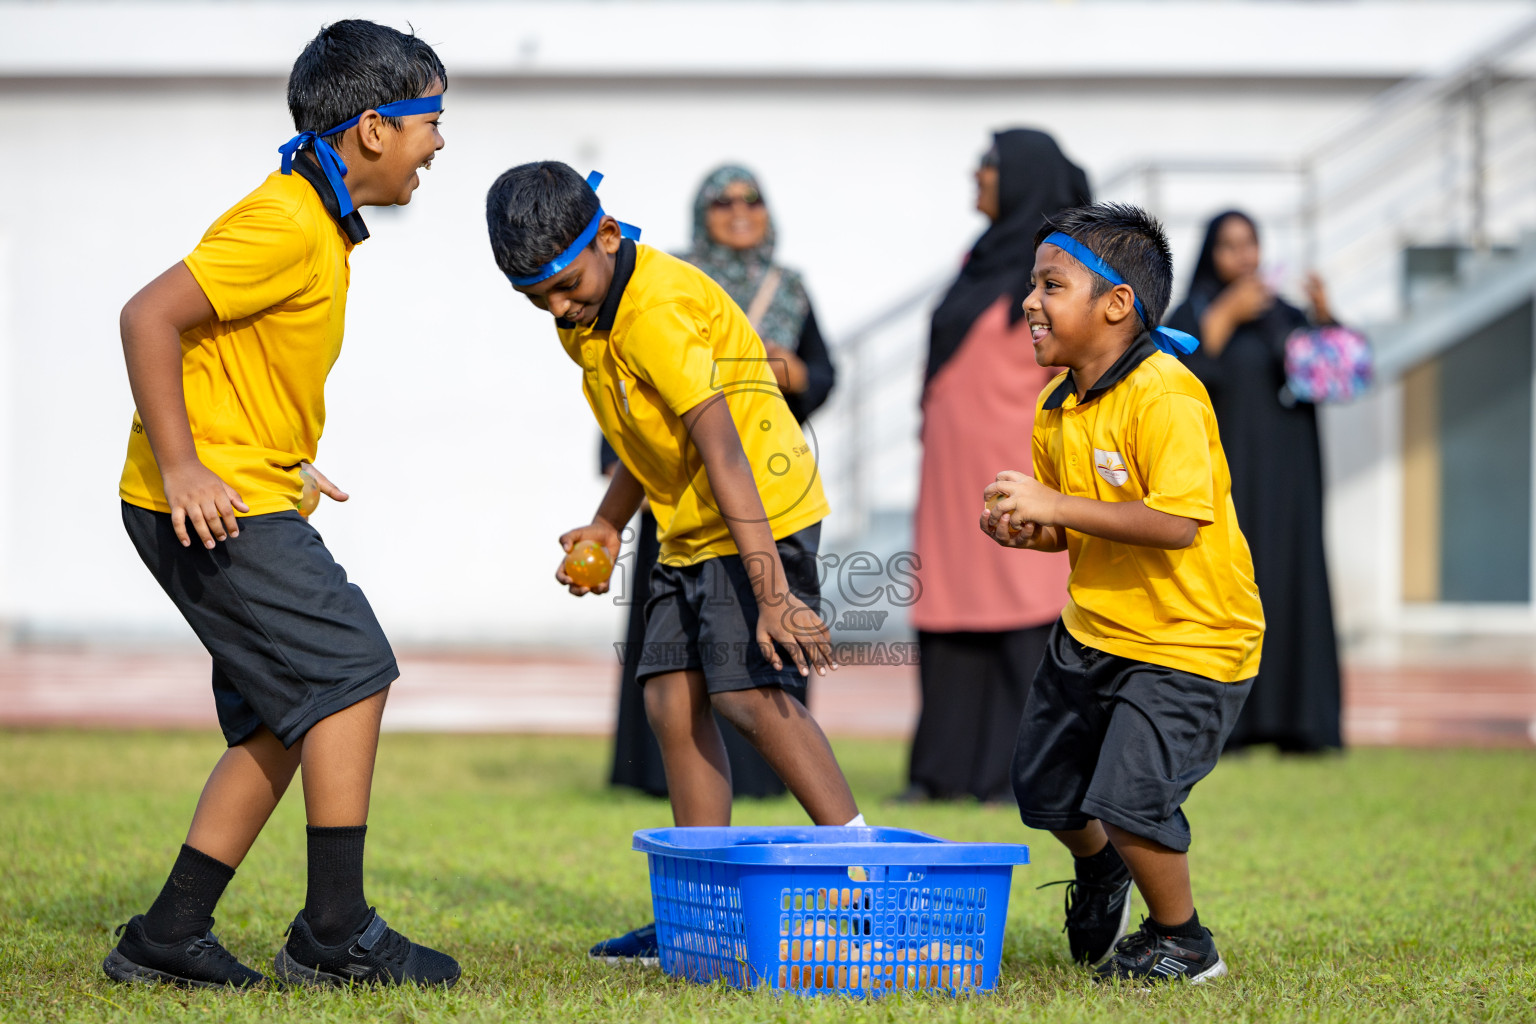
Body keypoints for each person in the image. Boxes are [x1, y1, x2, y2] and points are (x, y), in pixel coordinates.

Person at [105, 21, 459, 990]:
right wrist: (185, 466)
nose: (439, 145)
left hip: (248, 489)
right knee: (351, 669)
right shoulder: (288, 218)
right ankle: (334, 934)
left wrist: (284, 459)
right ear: (376, 128)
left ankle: (166, 937)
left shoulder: (319, 220)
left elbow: (236, 358)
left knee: (282, 714)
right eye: (433, 122)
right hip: (205, 503)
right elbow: (149, 316)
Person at [485, 161, 863, 965]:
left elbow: (721, 446)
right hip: (685, 521)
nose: (556, 307)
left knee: (751, 696)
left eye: (563, 285)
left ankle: (864, 874)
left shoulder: (655, 307)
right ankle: (698, 911)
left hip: (758, 510)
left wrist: (772, 595)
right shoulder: (584, 314)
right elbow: (645, 433)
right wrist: (607, 522)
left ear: (609, 237)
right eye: (536, 298)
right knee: (668, 701)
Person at [983, 203, 1264, 985]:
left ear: (1116, 304)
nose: (1030, 301)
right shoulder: (1058, 406)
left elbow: (1175, 523)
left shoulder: (1166, 394)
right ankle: (1102, 872)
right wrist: (1030, 529)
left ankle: (1183, 941)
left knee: (1131, 797)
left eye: (1051, 284)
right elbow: (1082, 527)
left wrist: (1054, 508)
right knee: (1045, 791)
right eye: (1031, 284)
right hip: (1095, 631)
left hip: (1192, 639)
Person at [607, 164, 836, 800]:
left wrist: (786, 373)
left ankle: (821, 823)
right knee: (672, 682)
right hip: (681, 490)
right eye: (723, 202)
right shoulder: (669, 285)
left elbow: (822, 373)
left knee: (750, 676)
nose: (740, 211)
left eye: (752, 200)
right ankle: (663, 790)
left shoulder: (787, 287)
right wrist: (608, 509)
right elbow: (638, 390)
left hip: (760, 474)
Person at [906, 130, 1085, 803]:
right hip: (953, 470)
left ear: (1021, 178)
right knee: (951, 612)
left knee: (1023, 614)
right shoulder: (979, 258)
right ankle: (942, 772)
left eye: (987, 166)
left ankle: (1020, 773)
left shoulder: (1064, 263)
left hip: (1018, 461)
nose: (975, 176)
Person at [1166, 211, 1344, 754]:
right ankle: (1231, 726)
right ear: (1210, 253)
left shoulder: (1283, 314)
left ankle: (1299, 725)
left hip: (1290, 484)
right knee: (1233, 590)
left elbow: (1336, 378)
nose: (1243, 257)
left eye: (1251, 245)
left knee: (1293, 587)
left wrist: (1325, 318)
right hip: (1228, 483)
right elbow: (1172, 381)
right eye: (1229, 246)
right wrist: (1222, 317)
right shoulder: (1192, 313)